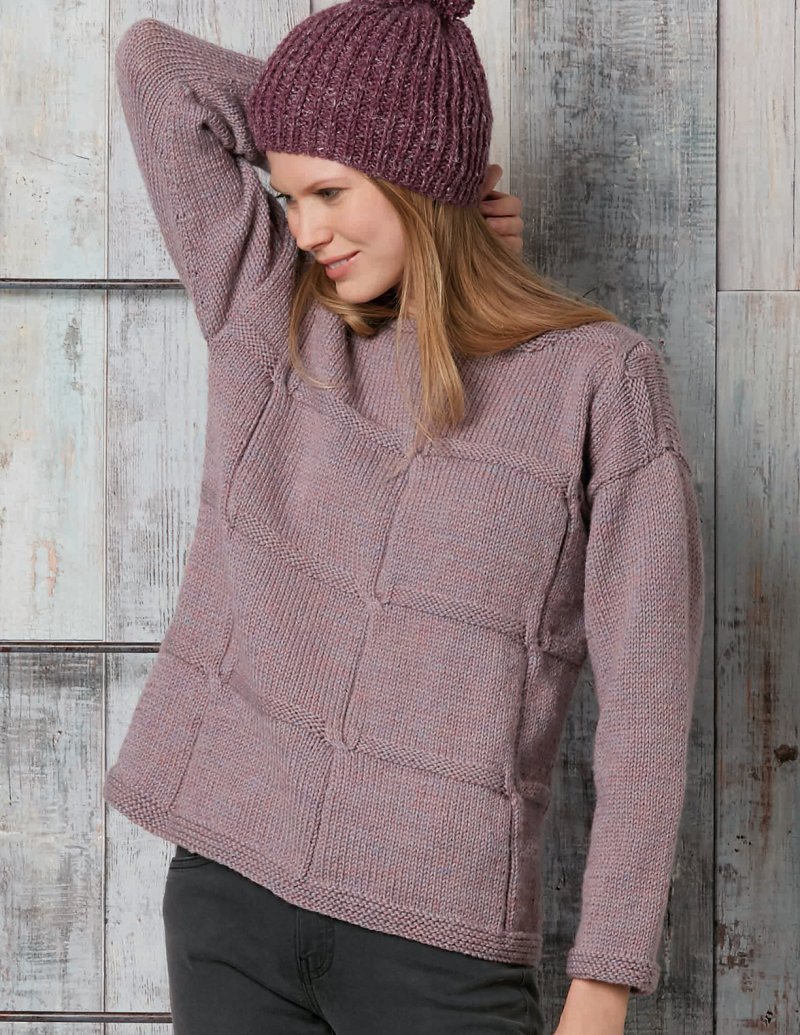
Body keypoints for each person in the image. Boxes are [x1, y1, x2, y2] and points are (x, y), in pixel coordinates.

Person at [102, 2, 705, 1033]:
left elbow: (648, 706)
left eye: (331, 192)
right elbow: (157, 68)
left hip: (440, 942)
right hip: (226, 895)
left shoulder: (599, 383)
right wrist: (363, 149)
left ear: (415, 177)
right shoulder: (272, 310)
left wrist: (602, 986)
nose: (305, 229)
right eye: (289, 196)